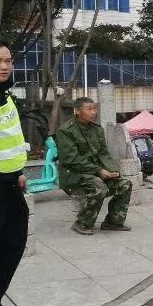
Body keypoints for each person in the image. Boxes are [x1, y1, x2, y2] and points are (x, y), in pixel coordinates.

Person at [57, 97, 133, 236]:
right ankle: (82, 223)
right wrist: (99, 171)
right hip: (74, 174)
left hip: (94, 173)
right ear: (78, 111)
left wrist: (113, 170)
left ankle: (113, 222)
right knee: (99, 187)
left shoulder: (97, 130)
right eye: (89, 109)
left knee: (125, 184)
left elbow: (104, 153)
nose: (93, 112)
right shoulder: (66, 130)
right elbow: (71, 159)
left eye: (94, 108)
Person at [0, 39, 28, 306]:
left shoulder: (5, 98)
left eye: (7, 60)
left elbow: (11, 140)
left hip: (10, 184)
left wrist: (18, 171)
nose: (4, 66)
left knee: (13, 243)